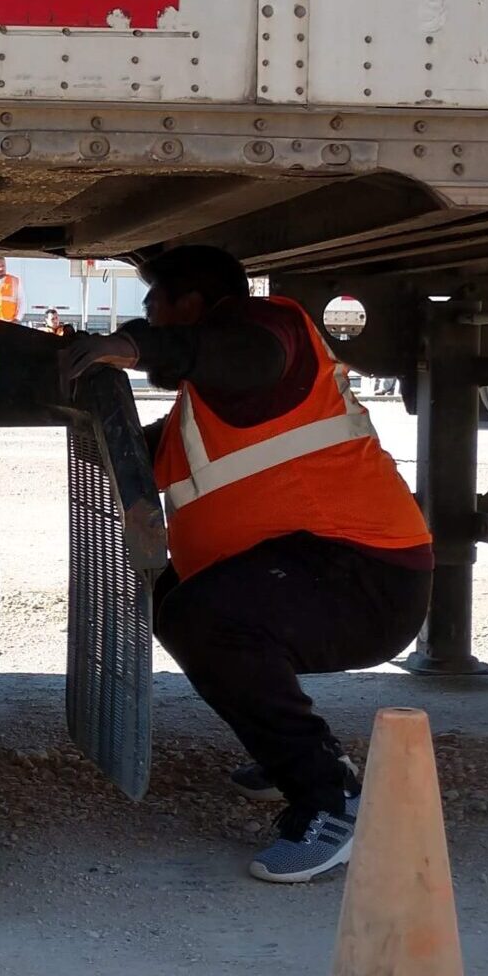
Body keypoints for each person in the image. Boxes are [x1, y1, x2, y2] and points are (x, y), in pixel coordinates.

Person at [58, 245, 432, 883]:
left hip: (366, 576)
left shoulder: (271, 328)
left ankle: (328, 798)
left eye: (153, 309)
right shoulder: (201, 414)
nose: (145, 320)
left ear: (193, 307)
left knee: (208, 620)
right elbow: (129, 457)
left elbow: (244, 354)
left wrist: (135, 346)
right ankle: (289, 751)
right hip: (325, 573)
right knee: (178, 603)